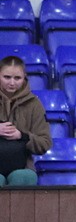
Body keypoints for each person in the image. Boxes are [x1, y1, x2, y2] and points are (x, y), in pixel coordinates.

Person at [0, 56, 51, 186]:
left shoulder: (34, 104)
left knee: (23, 178)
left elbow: (44, 143)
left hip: (22, 166)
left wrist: (22, 136)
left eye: (17, 78)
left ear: (24, 78)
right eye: (6, 77)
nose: (12, 83)